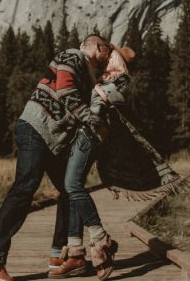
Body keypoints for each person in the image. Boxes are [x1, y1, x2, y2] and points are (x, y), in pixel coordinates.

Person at [0, 34, 112, 281]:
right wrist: (92, 121)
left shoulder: (88, 75)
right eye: (106, 53)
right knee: (25, 187)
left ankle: (62, 256)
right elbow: (65, 90)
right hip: (37, 129)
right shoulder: (73, 56)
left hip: (52, 140)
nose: (106, 60)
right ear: (96, 47)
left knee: (70, 190)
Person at [48, 46, 135, 280]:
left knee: (72, 185)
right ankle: (76, 254)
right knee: (73, 187)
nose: (98, 62)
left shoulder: (120, 79)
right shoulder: (101, 76)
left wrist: (104, 59)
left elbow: (105, 100)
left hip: (91, 132)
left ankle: (100, 240)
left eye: (106, 58)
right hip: (83, 133)